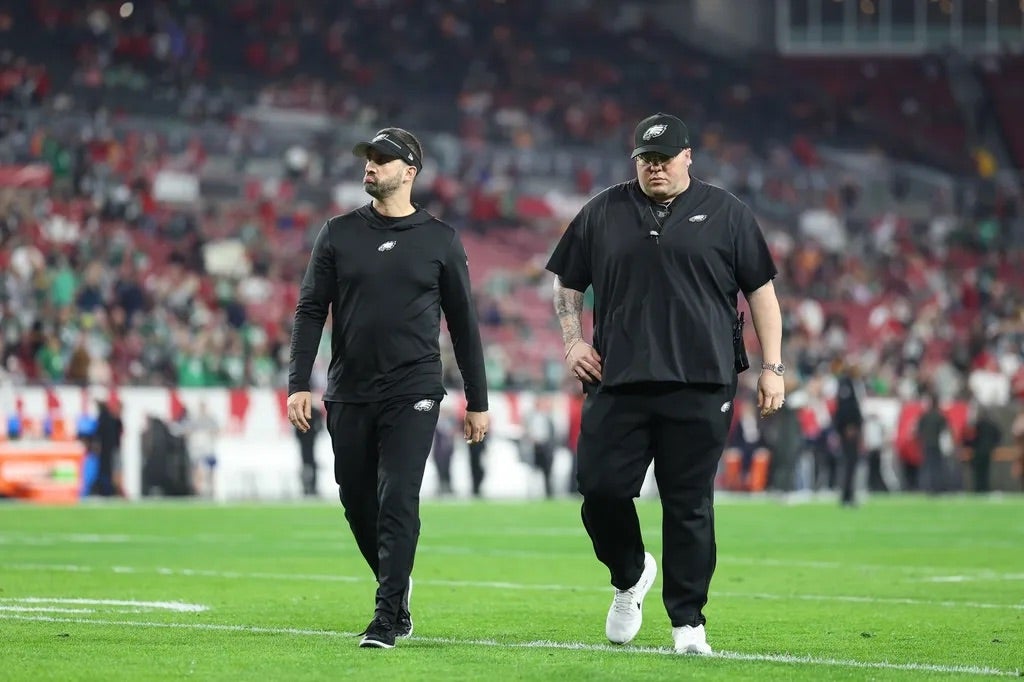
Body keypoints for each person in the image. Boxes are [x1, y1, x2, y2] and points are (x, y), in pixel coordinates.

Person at [545, 112, 784, 655]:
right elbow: (568, 282)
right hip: (619, 377)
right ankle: (630, 575)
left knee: (688, 502)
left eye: (664, 158)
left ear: (688, 157)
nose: (654, 168)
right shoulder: (603, 210)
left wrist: (773, 366)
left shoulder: (728, 213)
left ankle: (688, 623)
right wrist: (572, 340)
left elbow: (761, 293)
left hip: (702, 380)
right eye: (645, 159)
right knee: (599, 489)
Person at [286, 127, 490, 649]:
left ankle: (387, 615)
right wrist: (297, 384)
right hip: (348, 389)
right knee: (357, 500)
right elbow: (311, 310)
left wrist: (477, 401)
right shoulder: (336, 232)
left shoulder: (441, 239)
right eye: (368, 158)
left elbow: (463, 325)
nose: (371, 166)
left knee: (397, 494)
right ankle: (396, 582)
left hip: (415, 389)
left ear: (410, 171)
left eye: (383, 159)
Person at [295, 402, 323, 497]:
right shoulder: (314, 411)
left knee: (307, 464)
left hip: (306, 442)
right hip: (309, 442)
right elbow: (320, 426)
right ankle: (311, 487)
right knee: (310, 464)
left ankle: (307, 488)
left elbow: (296, 429)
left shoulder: (301, 411)